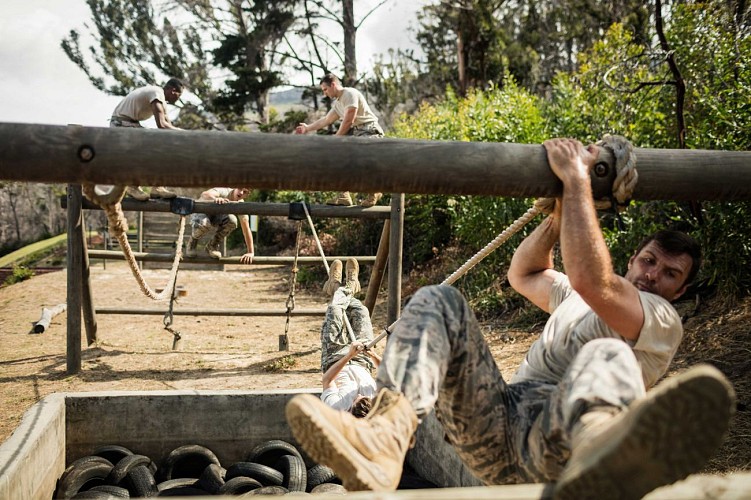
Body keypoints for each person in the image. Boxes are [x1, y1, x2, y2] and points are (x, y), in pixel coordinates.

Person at [285, 138, 736, 498]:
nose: (654, 276)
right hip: (495, 426)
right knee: (439, 299)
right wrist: (559, 217)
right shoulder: (577, 299)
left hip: (562, 443)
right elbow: (525, 273)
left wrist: (577, 179)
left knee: (607, 352)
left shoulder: (659, 318)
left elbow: (592, 280)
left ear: (681, 290)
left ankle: (601, 458)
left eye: (670, 273)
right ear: (633, 259)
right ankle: (386, 433)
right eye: (649, 262)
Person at [294, 73, 384, 208]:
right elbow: (326, 120)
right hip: (359, 133)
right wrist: (307, 128)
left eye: (325, 89)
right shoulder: (338, 104)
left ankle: (374, 191)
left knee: (357, 161)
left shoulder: (349, 94)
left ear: (333, 85)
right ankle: (344, 195)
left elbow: (349, 120)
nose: (324, 94)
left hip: (370, 132)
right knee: (338, 158)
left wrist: (336, 138)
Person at [319, 258, 381, 417]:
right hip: (364, 359)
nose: (358, 394)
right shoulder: (377, 403)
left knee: (335, 309)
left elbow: (327, 380)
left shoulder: (337, 408)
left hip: (335, 357)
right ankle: (346, 288)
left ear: (350, 408)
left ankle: (339, 288)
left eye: (356, 399)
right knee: (361, 311)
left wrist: (348, 356)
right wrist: (373, 355)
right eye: (363, 397)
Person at [110, 78, 185, 201]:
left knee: (163, 146)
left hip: (131, 124)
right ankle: (133, 186)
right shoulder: (156, 93)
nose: (178, 98)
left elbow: (169, 127)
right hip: (121, 125)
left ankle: (157, 187)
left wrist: (177, 139)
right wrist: (184, 134)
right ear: (173, 91)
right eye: (179, 95)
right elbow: (161, 125)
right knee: (152, 147)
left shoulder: (161, 100)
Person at [185, 187, 254, 263]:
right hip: (201, 213)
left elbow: (246, 229)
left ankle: (212, 246)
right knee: (204, 224)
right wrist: (215, 198)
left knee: (232, 221)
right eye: (240, 189)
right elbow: (204, 194)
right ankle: (193, 242)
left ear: (247, 195)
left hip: (215, 216)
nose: (241, 193)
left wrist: (250, 252)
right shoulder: (224, 191)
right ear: (235, 188)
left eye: (244, 192)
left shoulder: (241, 205)